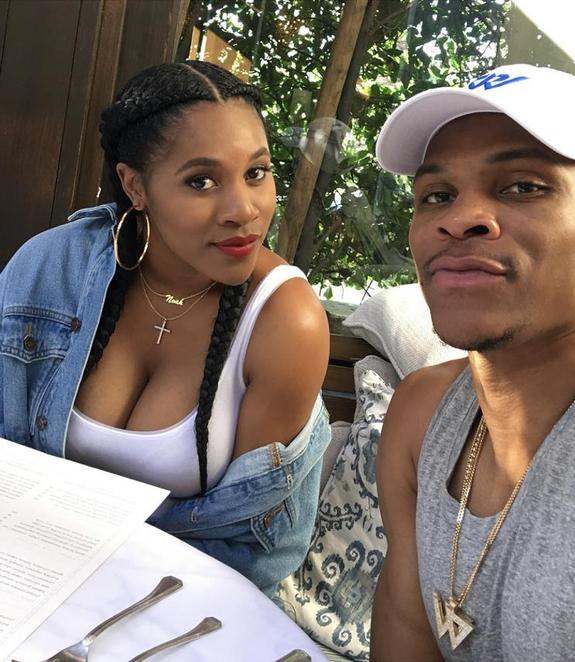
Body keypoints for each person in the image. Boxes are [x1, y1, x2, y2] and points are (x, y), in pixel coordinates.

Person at [0, 60, 331, 596]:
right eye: (202, 181)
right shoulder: (50, 271)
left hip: (180, 601)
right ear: (135, 185)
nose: (243, 210)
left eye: (256, 172)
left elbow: (249, 550)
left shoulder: (285, 322)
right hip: (24, 574)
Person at [369, 64, 575, 660]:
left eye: (523, 186)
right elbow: (406, 629)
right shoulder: (421, 416)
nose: (458, 218)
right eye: (436, 195)